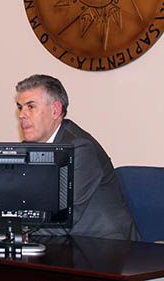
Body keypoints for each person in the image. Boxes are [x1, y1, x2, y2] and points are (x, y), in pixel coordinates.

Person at [15, 74, 138, 240]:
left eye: (30, 107)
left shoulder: (80, 148)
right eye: (20, 107)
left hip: (104, 243)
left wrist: (4, 227)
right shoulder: (27, 148)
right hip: (62, 242)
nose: (22, 115)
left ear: (55, 110)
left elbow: (63, 220)